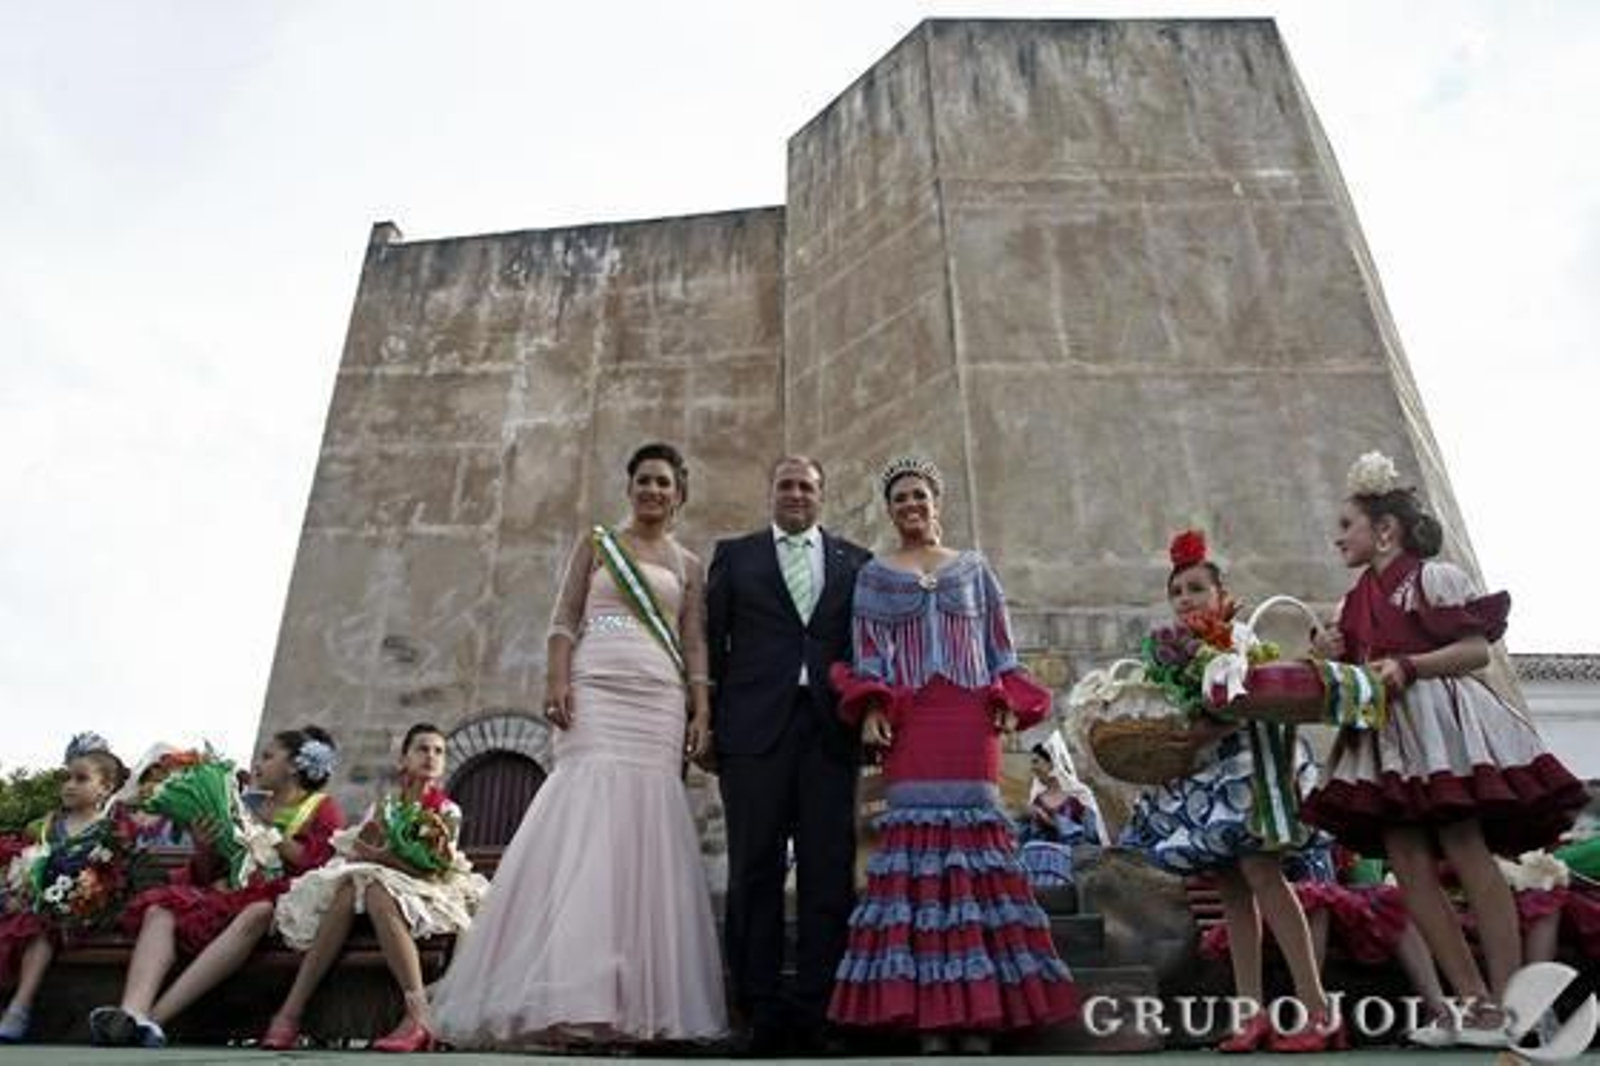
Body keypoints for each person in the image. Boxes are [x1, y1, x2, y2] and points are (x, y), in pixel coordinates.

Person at [428, 442, 725, 1049]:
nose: (653, 490)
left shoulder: (689, 564)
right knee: (585, 819)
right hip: (596, 686)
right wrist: (556, 680)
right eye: (644, 480)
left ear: (679, 494)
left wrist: (702, 708)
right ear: (629, 487)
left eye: (664, 482)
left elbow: (694, 641)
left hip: (658, 697)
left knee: (646, 825)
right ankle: (566, 994)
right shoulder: (597, 544)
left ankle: (636, 1001)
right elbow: (565, 618)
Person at [1300, 451, 1588, 1048]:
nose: (1337, 537)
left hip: (1440, 724)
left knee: (1464, 845)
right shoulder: (1353, 603)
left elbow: (1476, 651)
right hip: (1387, 735)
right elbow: (1355, 674)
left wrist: (1409, 666)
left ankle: (1508, 1002)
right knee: (1406, 860)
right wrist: (1326, 655)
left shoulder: (1434, 579)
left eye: (1347, 525)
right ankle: (1471, 1003)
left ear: (1385, 530)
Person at [827, 456, 1076, 1055]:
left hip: (970, 720)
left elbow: (1000, 649)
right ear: (890, 511)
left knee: (976, 851)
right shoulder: (874, 575)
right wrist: (874, 708)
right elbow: (867, 653)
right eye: (901, 499)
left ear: (937, 502)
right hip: (911, 722)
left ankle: (980, 1013)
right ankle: (930, 1019)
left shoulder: (974, 568)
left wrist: (1007, 702)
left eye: (920, 495)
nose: (911, 505)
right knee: (915, 855)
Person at [1118, 529, 1340, 1053]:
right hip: (1209, 779)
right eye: (1177, 592)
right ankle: (1250, 1014)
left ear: (1222, 595)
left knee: (1265, 877)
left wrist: (1202, 726)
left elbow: (1242, 705)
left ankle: (1317, 1009)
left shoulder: (1238, 641)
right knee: (1232, 890)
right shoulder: (1173, 653)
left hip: (1249, 769)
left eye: (1197, 588)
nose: (1186, 599)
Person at [706, 454, 872, 1055]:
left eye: (806, 486)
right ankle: (760, 1010)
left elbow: (864, 646)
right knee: (754, 869)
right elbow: (713, 646)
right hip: (754, 734)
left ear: (822, 495)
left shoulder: (856, 561)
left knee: (829, 870)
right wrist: (711, 722)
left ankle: (819, 1010)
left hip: (829, 733)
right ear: (771, 492)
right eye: (786, 485)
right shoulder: (736, 556)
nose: (796, 494)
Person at [88, 727, 343, 1048]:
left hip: (282, 903)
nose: (257, 763)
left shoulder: (320, 806)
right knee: (160, 910)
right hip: (231, 894)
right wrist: (206, 844)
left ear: (294, 766)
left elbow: (318, 863)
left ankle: (155, 1019)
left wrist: (266, 830)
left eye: (268, 756)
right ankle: (133, 1011)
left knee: (258, 911)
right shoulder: (239, 803)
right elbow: (211, 870)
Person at [261, 722, 489, 1052]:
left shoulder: (447, 811)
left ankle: (416, 1014)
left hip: (428, 887)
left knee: (373, 888)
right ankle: (291, 1011)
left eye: (438, 751)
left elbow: (434, 868)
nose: (430, 756)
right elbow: (361, 850)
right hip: (379, 881)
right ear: (404, 759)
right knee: (350, 889)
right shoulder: (386, 805)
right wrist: (377, 841)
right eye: (422, 749)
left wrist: (381, 857)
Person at [0, 734, 133, 1042]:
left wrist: (83, 898)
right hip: (38, 904)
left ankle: (20, 1006)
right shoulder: (47, 826)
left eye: (81, 779)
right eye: (67, 778)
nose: (70, 785)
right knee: (20, 918)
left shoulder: (109, 832)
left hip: (82, 911)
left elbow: (114, 879)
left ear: (105, 788)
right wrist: (18, 889)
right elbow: (27, 865)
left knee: (43, 926)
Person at [1016, 740, 1100, 890]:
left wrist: (1053, 822)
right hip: (1036, 858)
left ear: (1052, 763)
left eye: (1036, 761)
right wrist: (1024, 819)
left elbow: (1092, 838)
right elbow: (1025, 839)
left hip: (1071, 860)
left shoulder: (1080, 797)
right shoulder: (1037, 799)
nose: (1032, 767)